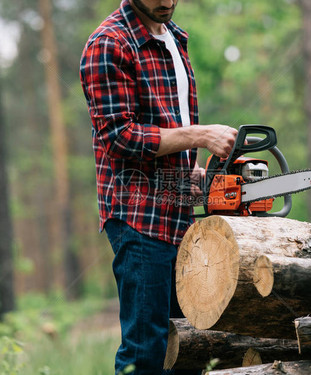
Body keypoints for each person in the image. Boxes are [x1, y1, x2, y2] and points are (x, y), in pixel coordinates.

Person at [80, 1, 237, 373]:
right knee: (145, 350)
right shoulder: (109, 44)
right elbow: (121, 136)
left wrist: (191, 172)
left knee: (185, 345)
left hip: (177, 213)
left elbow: (170, 117)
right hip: (139, 217)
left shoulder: (174, 38)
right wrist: (201, 135)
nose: (165, 1)